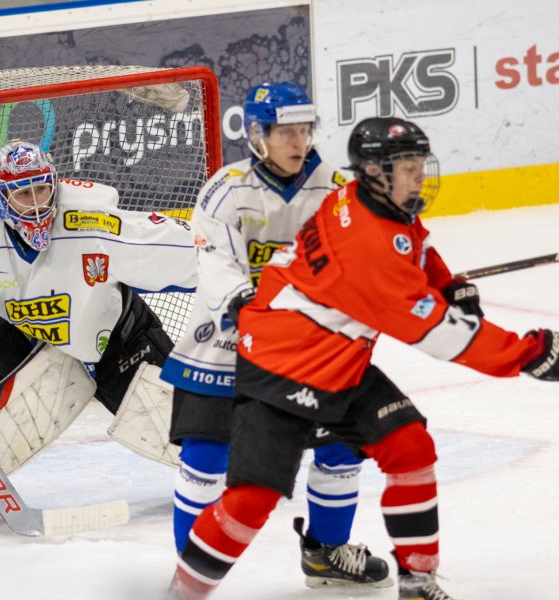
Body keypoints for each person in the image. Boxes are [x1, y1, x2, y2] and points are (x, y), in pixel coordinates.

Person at [169, 116, 559, 600]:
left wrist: (447, 283)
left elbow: (416, 240)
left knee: (410, 447)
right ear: (375, 172)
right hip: (280, 365)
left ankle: (417, 585)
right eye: (408, 168)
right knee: (252, 498)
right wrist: (532, 354)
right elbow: (440, 335)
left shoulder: (358, 198)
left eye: (419, 165)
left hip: (337, 360)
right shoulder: (366, 248)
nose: (419, 178)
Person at [0, 139, 197, 535]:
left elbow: (175, 248)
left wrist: (240, 275)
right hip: (18, 331)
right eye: (24, 193)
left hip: (114, 335)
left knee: (198, 434)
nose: (39, 203)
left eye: (43, 188)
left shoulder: (92, 219)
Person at [159, 82, 390, 587]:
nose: (298, 141)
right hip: (224, 342)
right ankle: (188, 579)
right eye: (285, 131)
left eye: (304, 130)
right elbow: (215, 259)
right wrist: (244, 299)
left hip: (308, 346)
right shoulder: (227, 189)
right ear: (258, 135)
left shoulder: (337, 192)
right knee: (206, 454)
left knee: (341, 444)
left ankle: (326, 554)